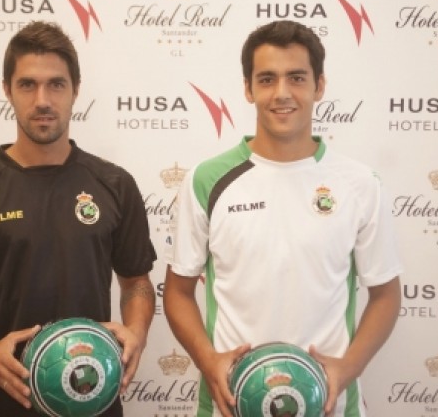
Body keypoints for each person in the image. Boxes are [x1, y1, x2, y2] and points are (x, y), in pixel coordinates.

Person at [0, 21, 157, 417]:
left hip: (92, 400)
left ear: (76, 90)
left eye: (56, 84)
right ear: (7, 90)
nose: (42, 100)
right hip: (0, 405)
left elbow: (137, 283)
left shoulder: (115, 184)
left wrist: (137, 333)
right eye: (27, 85)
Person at [163, 20, 402, 417]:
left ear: (319, 86)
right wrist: (208, 360)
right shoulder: (206, 180)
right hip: (231, 404)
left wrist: (348, 368)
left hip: (329, 406)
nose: (282, 93)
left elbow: (386, 295)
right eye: (267, 79)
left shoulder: (360, 184)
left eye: (297, 78)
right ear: (248, 88)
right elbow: (177, 292)